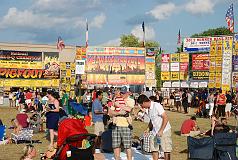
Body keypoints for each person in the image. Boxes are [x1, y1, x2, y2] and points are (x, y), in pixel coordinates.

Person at [137, 94, 172, 160]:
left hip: (164, 131)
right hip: (155, 132)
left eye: (141, 105)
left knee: (166, 150)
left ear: (144, 102)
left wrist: (161, 130)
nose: (141, 107)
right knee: (154, 149)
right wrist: (148, 129)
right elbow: (152, 120)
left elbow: (165, 118)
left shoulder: (157, 106)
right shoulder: (148, 109)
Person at [108, 89, 133, 160]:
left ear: (128, 93)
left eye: (123, 93)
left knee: (128, 146)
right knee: (116, 146)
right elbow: (110, 113)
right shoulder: (115, 100)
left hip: (126, 126)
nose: (121, 95)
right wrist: (118, 112)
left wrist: (118, 105)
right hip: (116, 125)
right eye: (120, 93)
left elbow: (128, 110)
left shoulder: (130, 100)